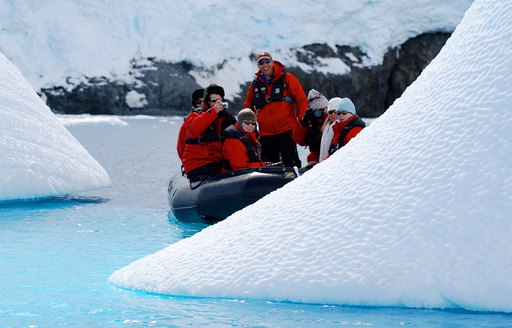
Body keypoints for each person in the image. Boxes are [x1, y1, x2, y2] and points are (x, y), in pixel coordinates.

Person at [244, 51, 308, 167]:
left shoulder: (287, 78)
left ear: (272, 62)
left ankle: (297, 184)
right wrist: (251, 123)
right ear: (258, 66)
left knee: (291, 163)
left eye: (267, 61)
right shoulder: (255, 85)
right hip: (265, 133)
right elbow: (247, 105)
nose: (265, 65)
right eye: (261, 62)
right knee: (270, 167)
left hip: (287, 130)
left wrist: (301, 118)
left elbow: (301, 99)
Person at [180, 84, 236, 178]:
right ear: (207, 102)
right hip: (198, 163)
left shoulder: (224, 119)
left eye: (220, 100)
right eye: (213, 100)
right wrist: (213, 112)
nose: (217, 103)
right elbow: (194, 130)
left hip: (216, 161)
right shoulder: (194, 116)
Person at [221, 108, 266, 172]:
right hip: (234, 176)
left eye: (253, 123)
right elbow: (240, 167)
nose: (250, 125)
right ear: (240, 123)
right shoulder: (233, 140)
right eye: (247, 123)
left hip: (250, 170)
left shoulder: (250, 133)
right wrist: (261, 165)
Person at [292, 89, 328, 166]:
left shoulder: (333, 119)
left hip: (329, 158)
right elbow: (298, 140)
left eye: (322, 110)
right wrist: (303, 122)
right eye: (316, 111)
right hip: (314, 160)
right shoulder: (311, 123)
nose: (319, 114)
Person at [177, 88, 204, 162]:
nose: (201, 104)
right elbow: (181, 146)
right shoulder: (188, 122)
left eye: (204, 101)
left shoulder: (215, 117)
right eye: (198, 101)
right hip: (195, 163)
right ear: (194, 103)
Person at [319, 97, 342, 162]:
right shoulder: (326, 126)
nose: (333, 114)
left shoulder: (343, 126)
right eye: (330, 112)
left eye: (336, 111)